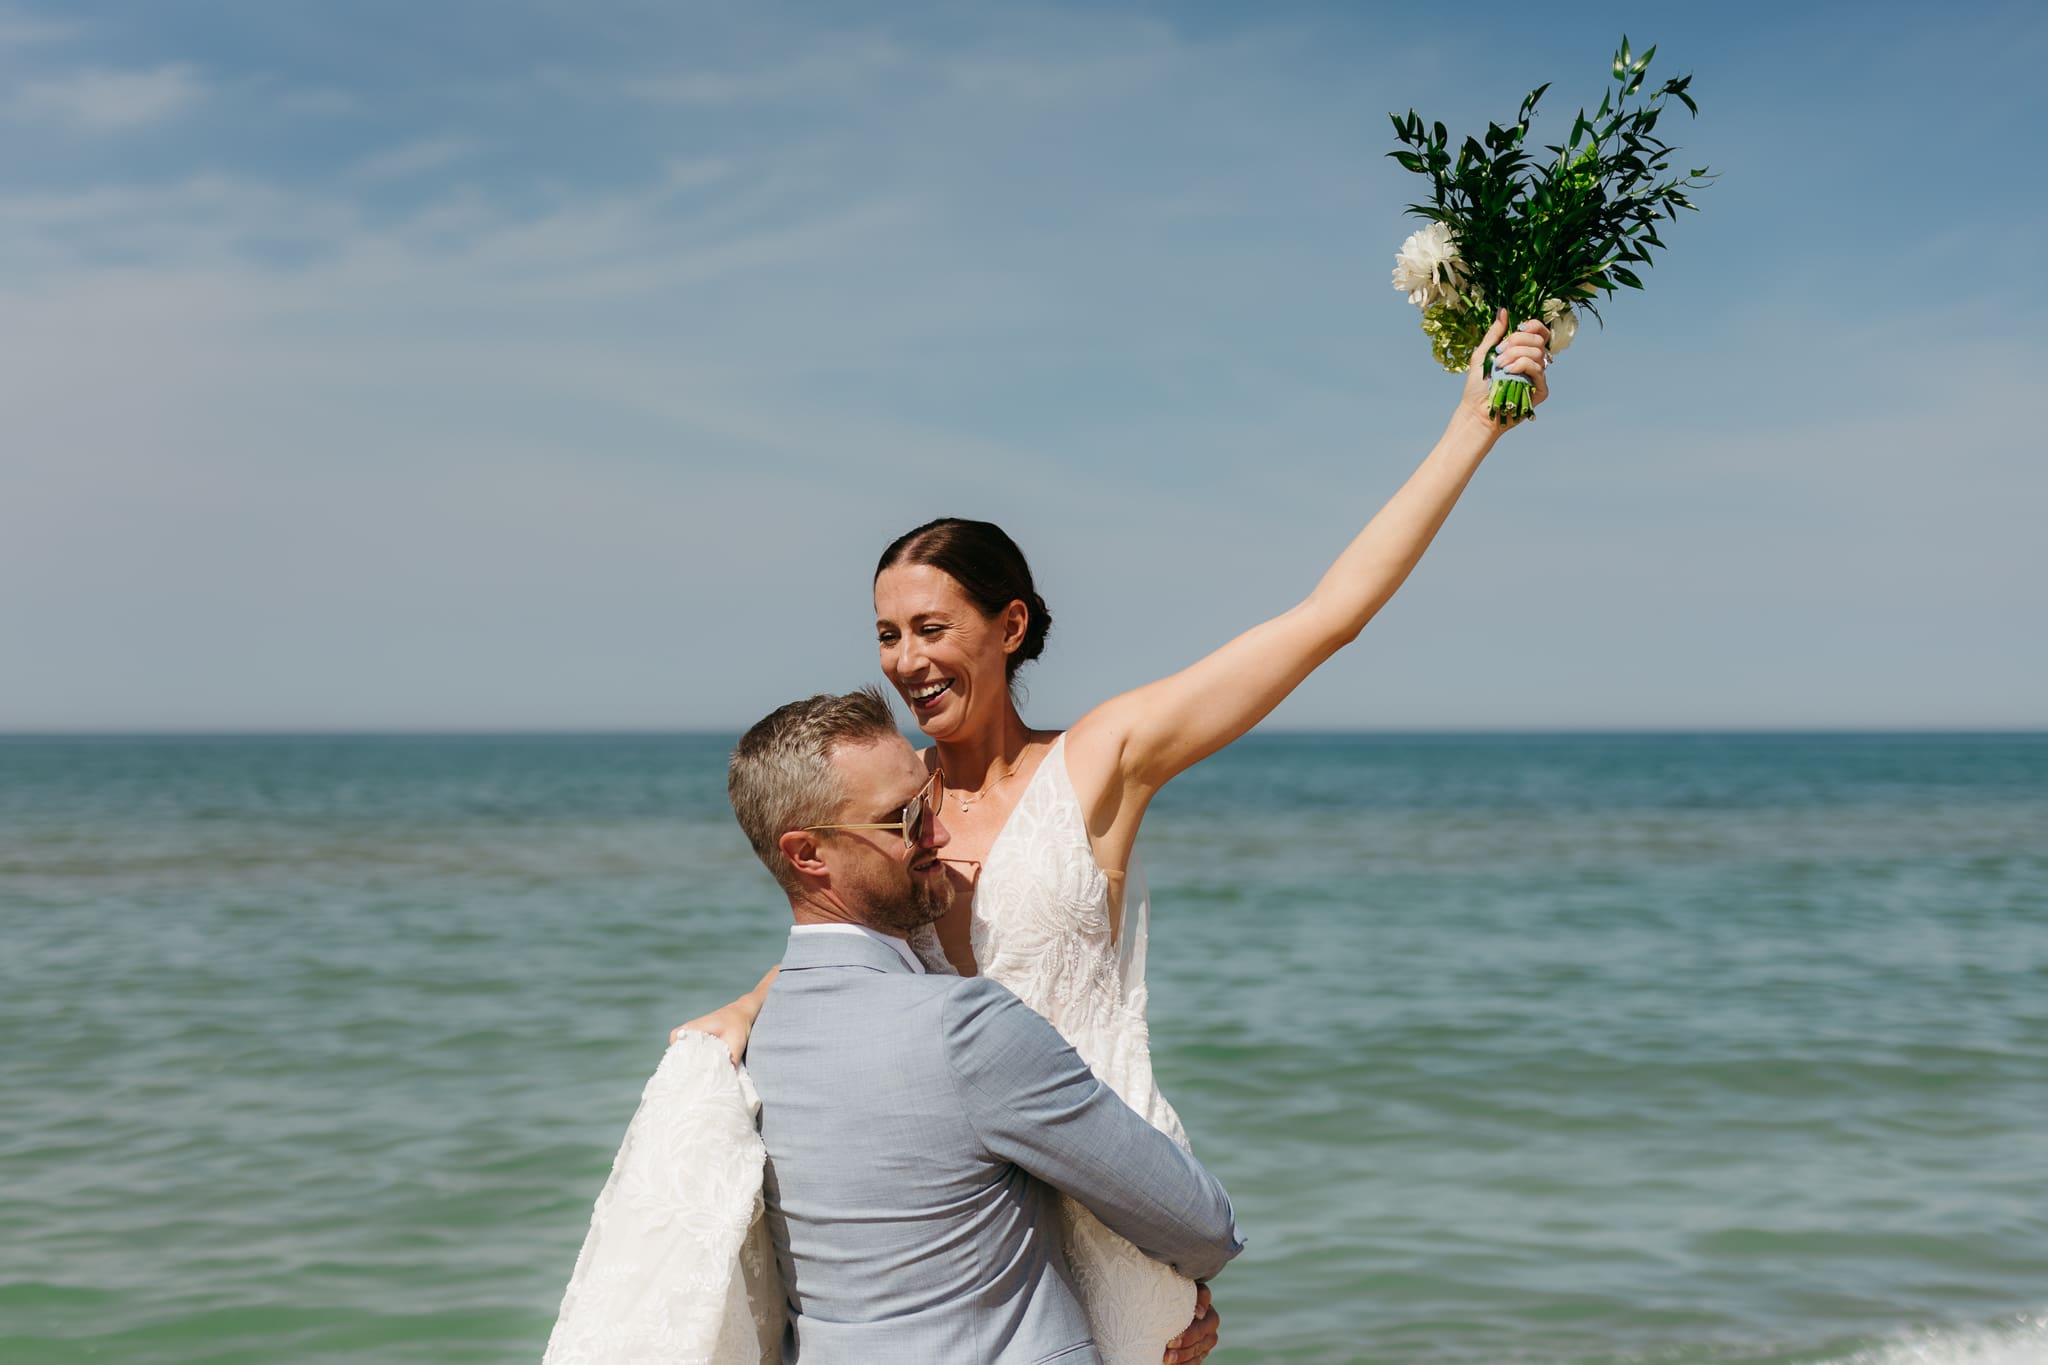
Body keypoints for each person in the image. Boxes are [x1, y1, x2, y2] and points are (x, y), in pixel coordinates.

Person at [679, 311, 1555, 1363]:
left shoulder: (1098, 762)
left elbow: (1326, 617)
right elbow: (849, 965)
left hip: (1111, 1208)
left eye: (930, 628)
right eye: (885, 634)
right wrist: (737, 1017)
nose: (904, 662)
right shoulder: (890, 821)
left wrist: (1473, 423)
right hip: (970, 1237)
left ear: (1007, 627)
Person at [736, 688, 1243, 1363]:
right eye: (906, 819)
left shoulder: (748, 1040)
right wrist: (1147, 1304)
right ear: (806, 854)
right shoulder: (967, 1028)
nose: (939, 834)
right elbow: (1201, 1224)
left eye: (933, 799)